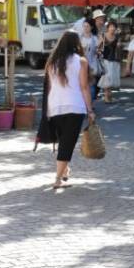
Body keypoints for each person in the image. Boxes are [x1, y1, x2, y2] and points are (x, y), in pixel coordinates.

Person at [45, 30, 94, 188]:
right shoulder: (81, 61)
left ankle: (64, 171)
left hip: (55, 106)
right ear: (76, 44)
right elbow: (84, 86)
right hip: (74, 106)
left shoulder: (52, 62)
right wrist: (90, 110)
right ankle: (58, 179)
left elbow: (50, 86)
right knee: (68, 142)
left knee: (63, 141)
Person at [98, 21, 122, 103]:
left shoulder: (117, 37)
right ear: (108, 27)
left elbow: (119, 48)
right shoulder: (103, 36)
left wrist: (119, 45)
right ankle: (106, 95)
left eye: (114, 27)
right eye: (111, 26)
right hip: (105, 60)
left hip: (114, 60)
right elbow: (99, 47)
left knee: (112, 78)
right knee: (106, 77)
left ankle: (109, 93)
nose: (112, 28)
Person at [79, 20, 101, 100]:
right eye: (84, 26)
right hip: (80, 65)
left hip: (92, 64)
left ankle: (90, 102)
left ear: (91, 27)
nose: (85, 28)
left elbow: (99, 51)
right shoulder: (79, 38)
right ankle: (84, 102)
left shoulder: (94, 38)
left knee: (91, 84)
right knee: (82, 84)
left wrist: (98, 48)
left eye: (87, 26)